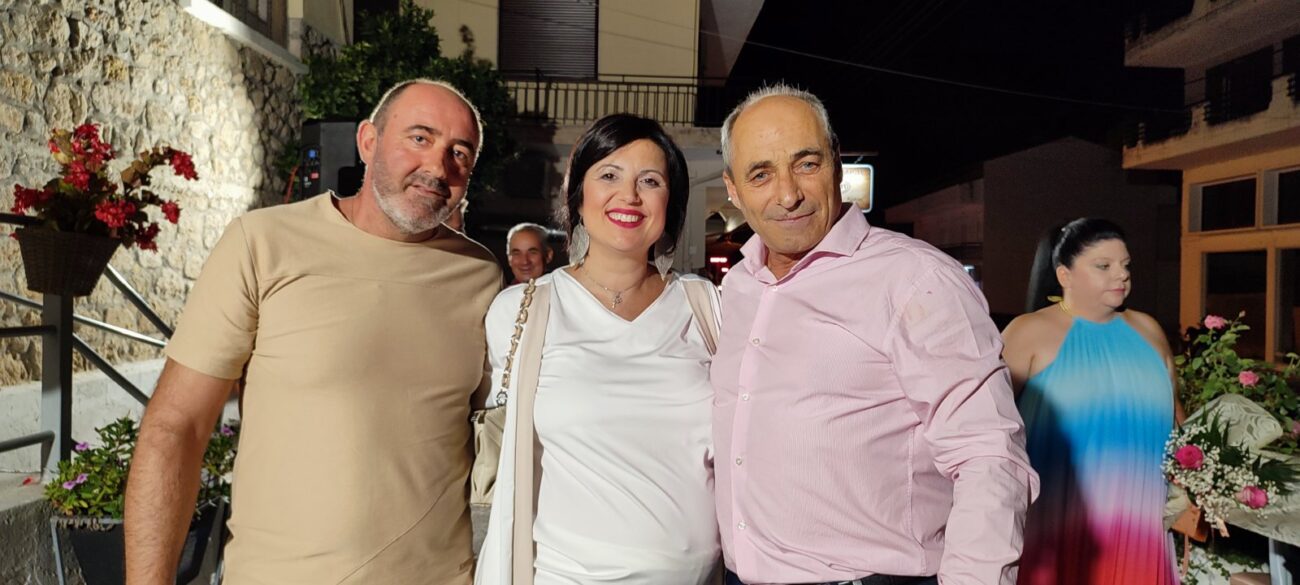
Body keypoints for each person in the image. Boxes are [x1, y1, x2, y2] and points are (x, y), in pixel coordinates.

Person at [123, 79, 501, 585]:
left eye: (460, 152)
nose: (438, 166)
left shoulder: (481, 275)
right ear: (368, 141)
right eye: (419, 138)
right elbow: (176, 427)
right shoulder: (263, 243)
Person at [712, 84, 1038, 585]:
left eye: (806, 164)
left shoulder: (915, 279)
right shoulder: (738, 287)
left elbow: (989, 455)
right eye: (761, 174)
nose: (788, 194)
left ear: (837, 163)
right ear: (733, 189)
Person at [475, 113, 721, 584]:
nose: (629, 195)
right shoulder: (523, 310)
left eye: (650, 181)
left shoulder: (708, 307)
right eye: (609, 175)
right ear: (578, 194)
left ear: (671, 201)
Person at [1002, 219, 1182, 585]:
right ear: (1064, 275)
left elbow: (1182, 427)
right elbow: (983, 426)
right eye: (1104, 265)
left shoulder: (1149, 330)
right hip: (1059, 526)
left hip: (1141, 524)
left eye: (1126, 265)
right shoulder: (1028, 332)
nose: (1122, 275)